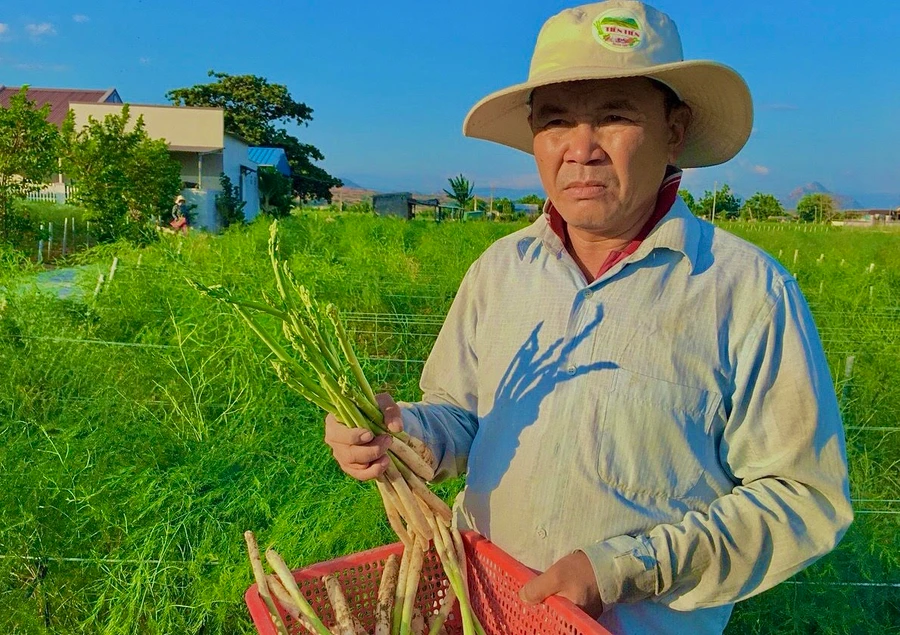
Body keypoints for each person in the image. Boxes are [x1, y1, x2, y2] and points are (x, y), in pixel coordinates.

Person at [324, 2, 852, 633]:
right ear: (533, 137)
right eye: (555, 123)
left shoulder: (746, 292)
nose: (581, 150)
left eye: (614, 117)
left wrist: (623, 568)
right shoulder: (500, 270)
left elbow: (802, 496)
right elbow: (463, 418)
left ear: (674, 130)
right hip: (483, 608)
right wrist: (400, 431)